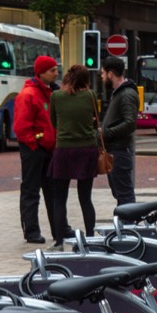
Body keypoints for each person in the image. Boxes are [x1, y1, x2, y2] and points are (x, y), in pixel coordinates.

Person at [48, 64, 100, 247]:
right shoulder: (90, 96)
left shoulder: (56, 96)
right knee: (85, 197)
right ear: (85, 80)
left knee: (59, 198)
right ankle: (91, 236)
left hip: (64, 149)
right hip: (87, 148)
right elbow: (95, 120)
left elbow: (53, 122)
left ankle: (60, 240)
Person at [14, 54, 59, 244]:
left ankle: (58, 228)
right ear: (41, 73)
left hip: (47, 148)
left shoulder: (50, 92)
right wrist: (35, 144)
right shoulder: (28, 95)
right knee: (32, 191)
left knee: (52, 191)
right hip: (34, 149)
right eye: (52, 70)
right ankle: (31, 231)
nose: (56, 73)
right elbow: (21, 127)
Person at [100, 54, 139, 207]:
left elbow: (130, 123)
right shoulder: (119, 93)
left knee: (124, 195)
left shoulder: (127, 94)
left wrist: (106, 133)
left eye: (103, 73)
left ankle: (129, 227)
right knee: (120, 194)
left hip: (120, 152)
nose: (102, 77)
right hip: (115, 151)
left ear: (110, 74)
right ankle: (125, 227)